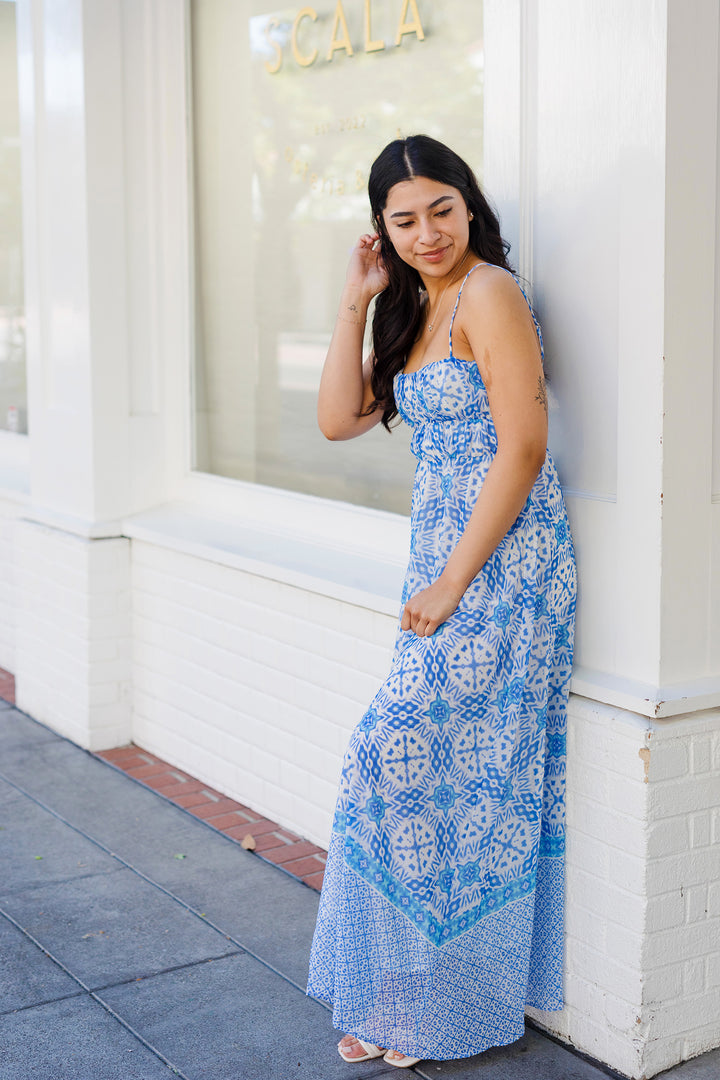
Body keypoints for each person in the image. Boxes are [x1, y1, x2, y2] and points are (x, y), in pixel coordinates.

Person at [307, 135, 576, 1068]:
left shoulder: (492, 292)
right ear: (381, 226)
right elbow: (338, 418)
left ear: (470, 204)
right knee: (432, 783)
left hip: (505, 565)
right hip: (443, 568)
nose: (426, 233)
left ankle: (434, 999)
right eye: (403, 218)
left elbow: (524, 448)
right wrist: (357, 301)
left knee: (403, 756)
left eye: (442, 210)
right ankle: (409, 995)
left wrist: (456, 581)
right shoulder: (414, 305)